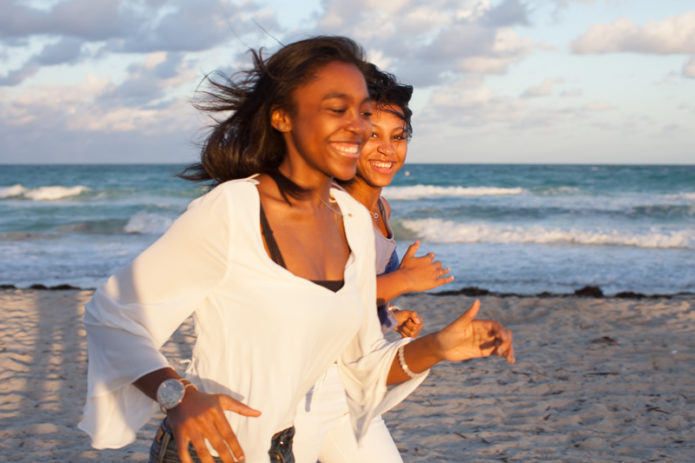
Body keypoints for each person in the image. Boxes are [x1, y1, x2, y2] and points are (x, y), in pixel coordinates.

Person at [79, 36, 515, 463]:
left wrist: (438, 346)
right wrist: (179, 397)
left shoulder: (352, 221)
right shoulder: (232, 209)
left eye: (363, 111)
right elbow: (113, 316)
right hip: (212, 451)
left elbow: (362, 370)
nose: (358, 126)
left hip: (284, 449)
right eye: (335, 108)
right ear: (282, 117)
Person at [292, 65, 456, 463]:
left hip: (347, 383)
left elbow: (362, 291)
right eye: (371, 136)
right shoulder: (327, 206)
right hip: (303, 386)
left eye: (398, 137)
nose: (387, 149)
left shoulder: (379, 207)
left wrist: (389, 314)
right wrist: (400, 281)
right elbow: (318, 297)